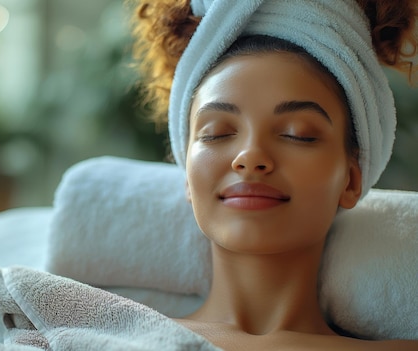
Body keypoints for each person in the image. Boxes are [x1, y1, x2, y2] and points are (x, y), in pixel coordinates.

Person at [129, 0, 418, 349]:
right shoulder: (103, 335)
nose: (250, 156)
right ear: (188, 177)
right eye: (217, 132)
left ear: (351, 179)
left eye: (298, 134)